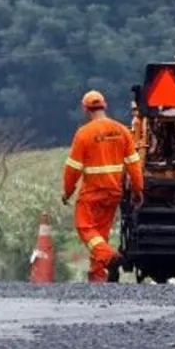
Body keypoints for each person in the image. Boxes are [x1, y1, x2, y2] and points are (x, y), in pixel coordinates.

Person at [62, 90, 145, 283]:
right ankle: (99, 275)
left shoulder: (83, 134)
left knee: (85, 227)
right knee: (100, 234)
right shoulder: (122, 131)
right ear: (104, 105)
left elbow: (73, 169)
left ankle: (110, 259)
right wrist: (138, 190)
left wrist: (67, 192)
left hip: (92, 193)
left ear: (85, 109)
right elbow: (134, 164)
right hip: (113, 193)